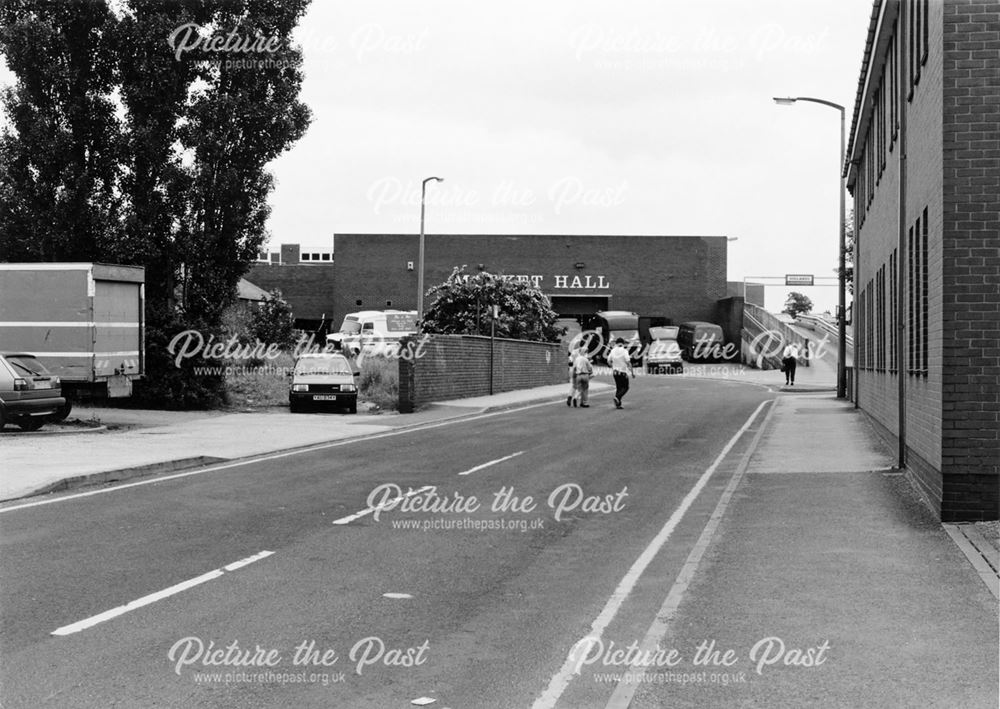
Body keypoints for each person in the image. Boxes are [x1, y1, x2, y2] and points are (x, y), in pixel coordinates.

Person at [608, 337, 634, 409]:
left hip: (615, 372)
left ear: (616, 343)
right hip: (622, 372)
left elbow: (608, 361)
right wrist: (632, 372)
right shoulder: (624, 351)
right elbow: (628, 362)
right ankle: (617, 397)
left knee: (619, 388)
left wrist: (612, 366)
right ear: (623, 343)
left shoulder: (612, 351)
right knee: (626, 387)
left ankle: (618, 404)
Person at [567, 339, 583, 406]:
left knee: (574, 385)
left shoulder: (574, 352)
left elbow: (570, 360)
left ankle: (570, 396)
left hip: (573, 370)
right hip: (581, 371)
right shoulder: (584, 352)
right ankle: (575, 398)